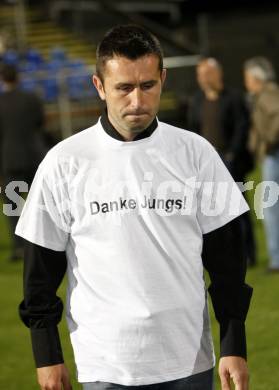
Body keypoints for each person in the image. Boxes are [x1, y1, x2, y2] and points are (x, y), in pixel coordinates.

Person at [15, 25, 253, 390]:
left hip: (188, 361)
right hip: (104, 364)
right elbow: (40, 271)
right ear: (99, 86)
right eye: (124, 88)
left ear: (163, 78)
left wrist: (234, 344)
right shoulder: (64, 162)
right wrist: (46, 355)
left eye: (147, 85)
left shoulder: (195, 153)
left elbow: (228, 263)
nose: (137, 101)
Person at [188, 57, 256, 266]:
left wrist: (232, 155)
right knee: (208, 214)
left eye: (206, 73)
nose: (202, 78)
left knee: (238, 211)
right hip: (206, 166)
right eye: (200, 74)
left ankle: (248, 254)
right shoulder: (197, 100)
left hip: (231, 164)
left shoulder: (233, 98)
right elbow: (193, 130)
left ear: (218, 74)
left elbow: (242, 127)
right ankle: (218, 257)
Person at [0, 63, 48, 261]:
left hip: (11, 159)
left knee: (13, 205)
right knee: (40, 202)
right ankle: (45, 242)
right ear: (18, 78)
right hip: (36, 156)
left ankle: (20, 246)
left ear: (3, 79)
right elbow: (40, 123)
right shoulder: (31, 99)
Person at [244, 56, 279, 272]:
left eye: (247, 77)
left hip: (274, 155)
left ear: (256, 78)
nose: (246, 81)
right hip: (272, 154)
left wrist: (267, 143)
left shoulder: (268, 94)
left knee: (269, 208)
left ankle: (276, 260)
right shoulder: (264, 94)